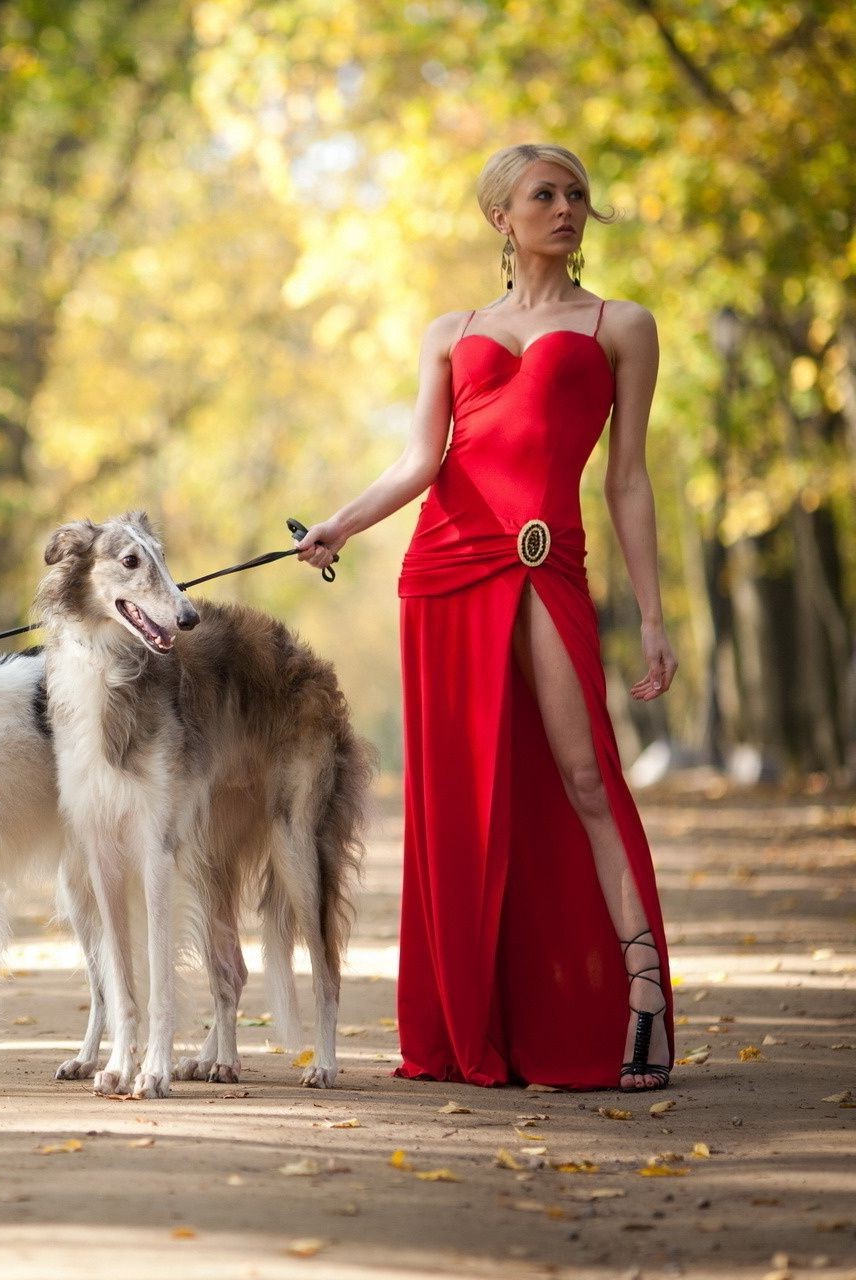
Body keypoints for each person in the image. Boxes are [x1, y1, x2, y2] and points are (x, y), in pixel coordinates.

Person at [294, 143, 677, 1091]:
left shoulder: (619, 325)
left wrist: (657, 617)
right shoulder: (449, 329)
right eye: (545, 195)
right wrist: (340, 523)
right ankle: (473, 1021)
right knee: (459, 798)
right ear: (501, 217)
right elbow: (423, 459)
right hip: (444, 567)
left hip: (546, 561)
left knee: (585, 772)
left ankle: (644, 996)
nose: (567, 208)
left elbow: (627, 480)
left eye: (578, 194)